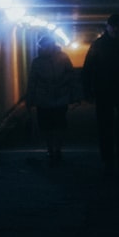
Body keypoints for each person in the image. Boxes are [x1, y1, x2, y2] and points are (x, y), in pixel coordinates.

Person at [81, 13, 119, 177]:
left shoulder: (101, 45)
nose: (115, 29)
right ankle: (110, 160)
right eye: (113, 26)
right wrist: (87, 90)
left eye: (118, 26)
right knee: (107, 127)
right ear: (108, 26)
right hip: (108, 92)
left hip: (117, 92)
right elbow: (87, 70)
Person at [25, 35, 78, 165]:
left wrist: (72, 93)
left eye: (45, 46)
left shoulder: (61, 58)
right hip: (45, 99)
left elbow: (70, 75)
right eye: (42, 47)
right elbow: (32, 82)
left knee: (58, 125)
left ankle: (57, 149)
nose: (43, 49)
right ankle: (51, 149)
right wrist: (30, 99)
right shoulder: (38, 62)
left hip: (58, 98)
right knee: (47, 126)